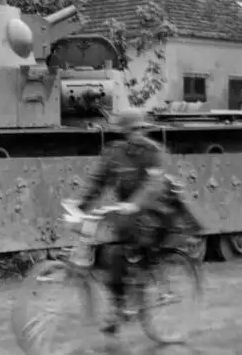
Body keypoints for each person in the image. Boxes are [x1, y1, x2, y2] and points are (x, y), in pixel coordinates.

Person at [76, 108, 201, 336]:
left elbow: (154, 185)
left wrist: (134, 203)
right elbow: (97, 182)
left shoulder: (154, 152)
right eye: (132, 129)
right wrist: (79, 207)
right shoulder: (114, 153)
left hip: (160, 211)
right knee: (109, 255)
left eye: (140, 129)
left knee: (139, 243)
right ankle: (118, 306)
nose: (137, 133)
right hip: (129, 215)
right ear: (123, 131)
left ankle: (138, 290)